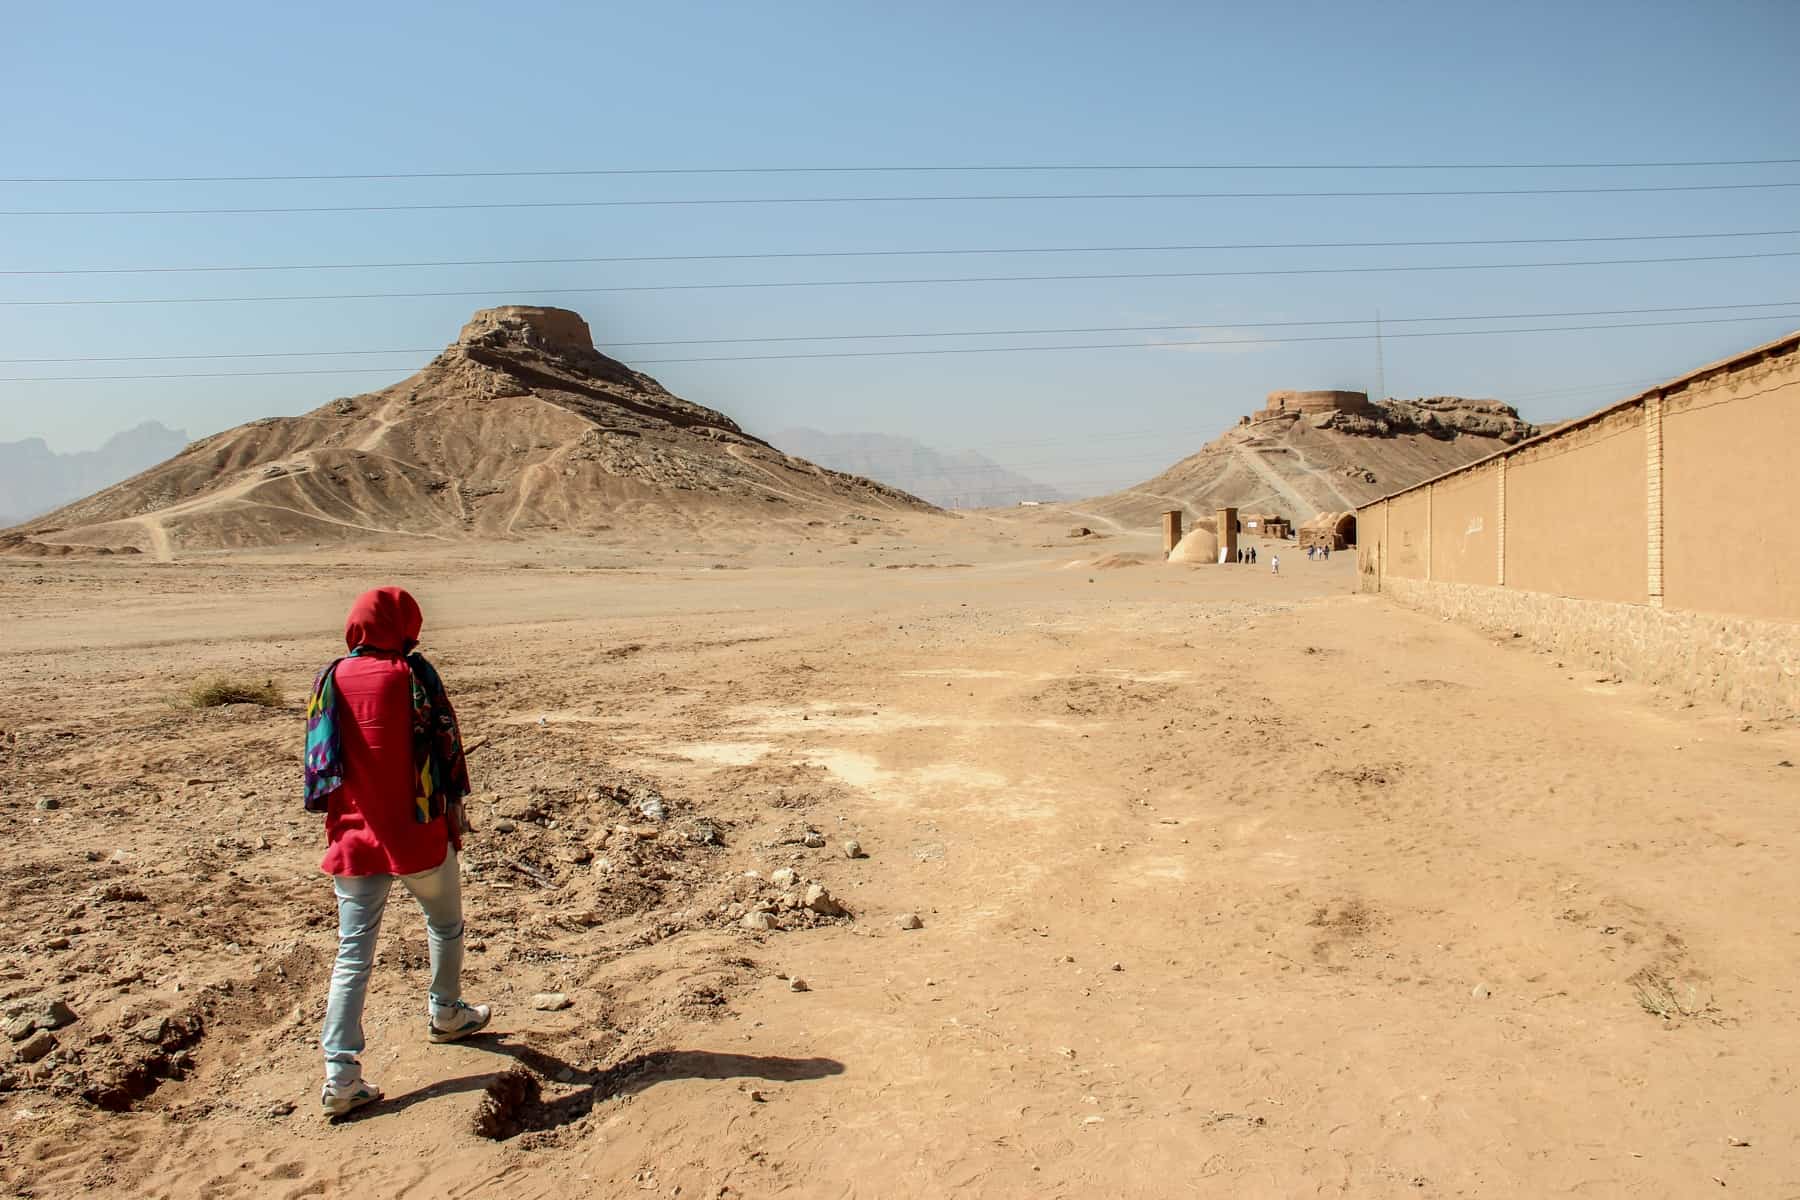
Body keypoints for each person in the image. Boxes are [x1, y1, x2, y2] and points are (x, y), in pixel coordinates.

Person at [304, 587, 489, 1118]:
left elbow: (321, 758)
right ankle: (447, 1012)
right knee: (446, 924)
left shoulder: (330, 678)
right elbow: (444, 746)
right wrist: (454, 809)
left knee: (352, 955)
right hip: (417, 832)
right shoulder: (413, 675)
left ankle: (340, 1077)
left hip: (354, 839)